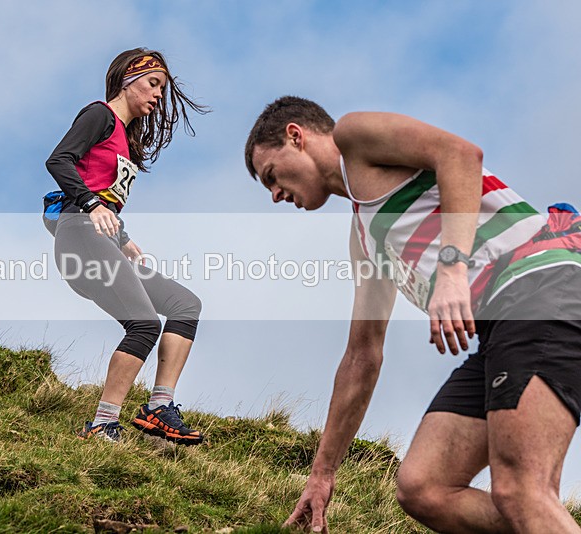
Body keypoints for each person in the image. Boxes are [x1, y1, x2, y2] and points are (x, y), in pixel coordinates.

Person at [244, 96, 581, 532]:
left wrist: (452, 268)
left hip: (539, 285)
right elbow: (362, 356)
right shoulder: (365, 238)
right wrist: (322, 473)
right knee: (425, 486)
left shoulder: (353, 136)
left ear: (296, 136)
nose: (274, 195)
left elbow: (460, 154)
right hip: (502, 325)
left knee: (522, 488)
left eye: (271, 175)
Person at [44, 48, 208, 445]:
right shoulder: (99, 115)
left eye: (162, 89)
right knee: (144, 324)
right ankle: (102, 422)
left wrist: (124, 238)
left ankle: (158, 407)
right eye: (153, 84)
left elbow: (106, 194)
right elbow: (59, 160)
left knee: (185, 306)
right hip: (78, 235)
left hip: (102, 240)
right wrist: (92, 204)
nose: (157, 96)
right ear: (128, 79)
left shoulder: (127, 140)